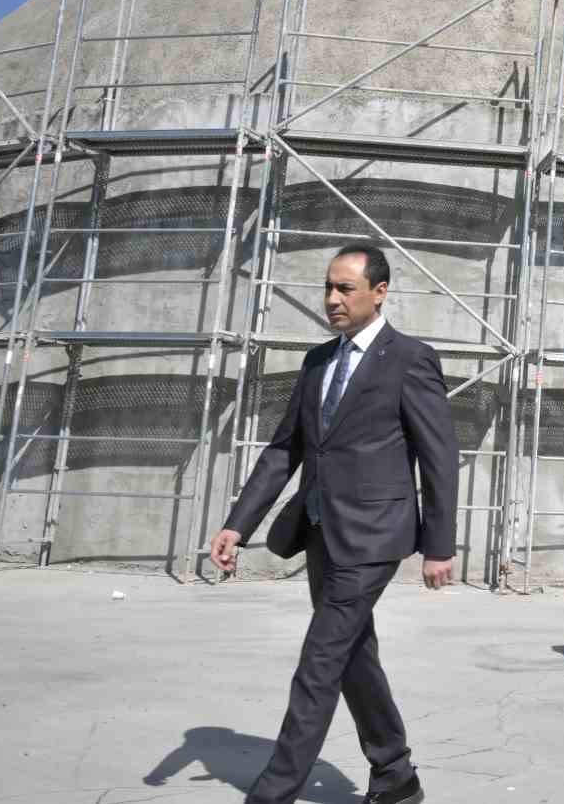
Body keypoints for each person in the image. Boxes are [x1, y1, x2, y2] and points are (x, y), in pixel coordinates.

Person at [209, 246, 460, 804]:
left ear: (380, 291)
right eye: (328, 287)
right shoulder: (318, 361)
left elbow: (439, 456)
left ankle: (272, 793)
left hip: (375, 536)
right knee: (351, 655)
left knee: (319, 661)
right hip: (321, 531)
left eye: (346, 288)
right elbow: (285, 450)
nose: (332, 299)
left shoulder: (410, 359)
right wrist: (237, 524)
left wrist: (439, 546)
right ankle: (395, 775)